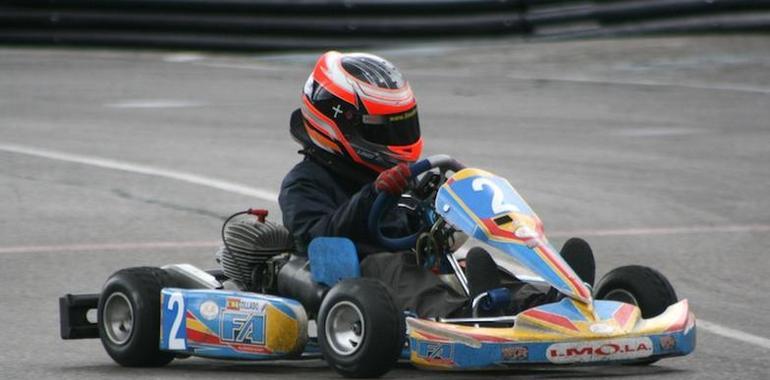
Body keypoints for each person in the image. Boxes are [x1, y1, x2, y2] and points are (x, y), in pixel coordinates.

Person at [278, 51, 594, 318]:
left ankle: (539, 304)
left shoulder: (400, 177)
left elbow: (409, 224)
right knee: (393, 267)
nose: (396, 141)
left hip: (415, 261)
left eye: (402, 125)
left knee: (471, 263)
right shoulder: (303, 183)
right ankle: (466, 314)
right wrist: (374, 193)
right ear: (339, 124)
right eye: (385, 130)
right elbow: (318, 239)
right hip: (358, 277)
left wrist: (436, 211)